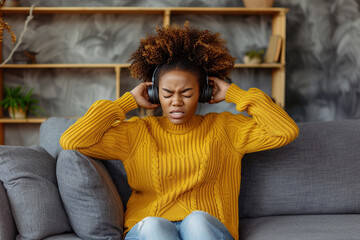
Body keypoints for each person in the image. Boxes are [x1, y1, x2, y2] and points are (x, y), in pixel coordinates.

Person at [60, 22, 299, 240]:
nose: (176, 101)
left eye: (186, 93)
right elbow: (72, 140)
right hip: (149, 230)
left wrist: (235, 94)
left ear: (204, 93)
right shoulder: (136, 132)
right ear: (154, 94)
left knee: (196, 220)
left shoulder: (226, 128)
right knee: (154, 225)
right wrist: (126, 102)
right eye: (167, 94)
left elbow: (285, 131)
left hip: (206, 229)